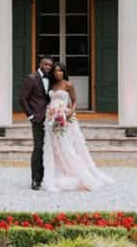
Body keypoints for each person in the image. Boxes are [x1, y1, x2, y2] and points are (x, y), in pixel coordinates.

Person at [41, 62, 113, 192]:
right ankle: (58, 170)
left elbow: (74, 101)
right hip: (52, 119)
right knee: (55, 146)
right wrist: (51, 113)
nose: (58, 73)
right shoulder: (51, 85)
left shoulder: (68, 84)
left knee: (67, 145)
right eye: (55, 71)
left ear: (64, 72)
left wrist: (70, 112)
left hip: (65, 117)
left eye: (60, 71)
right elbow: (49, 101)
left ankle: (77, 172)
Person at [19, 57, 53, 190]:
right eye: (46, 64)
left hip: (52, 119)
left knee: (50, 149)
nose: (48, 67)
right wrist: (31, 115)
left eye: (50, 65)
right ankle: (35, 179)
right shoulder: (31, 78)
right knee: (38, 148)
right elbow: (23, 98)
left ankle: (48, 178)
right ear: (40, 64)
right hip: (38, 119)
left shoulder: (51, 79)